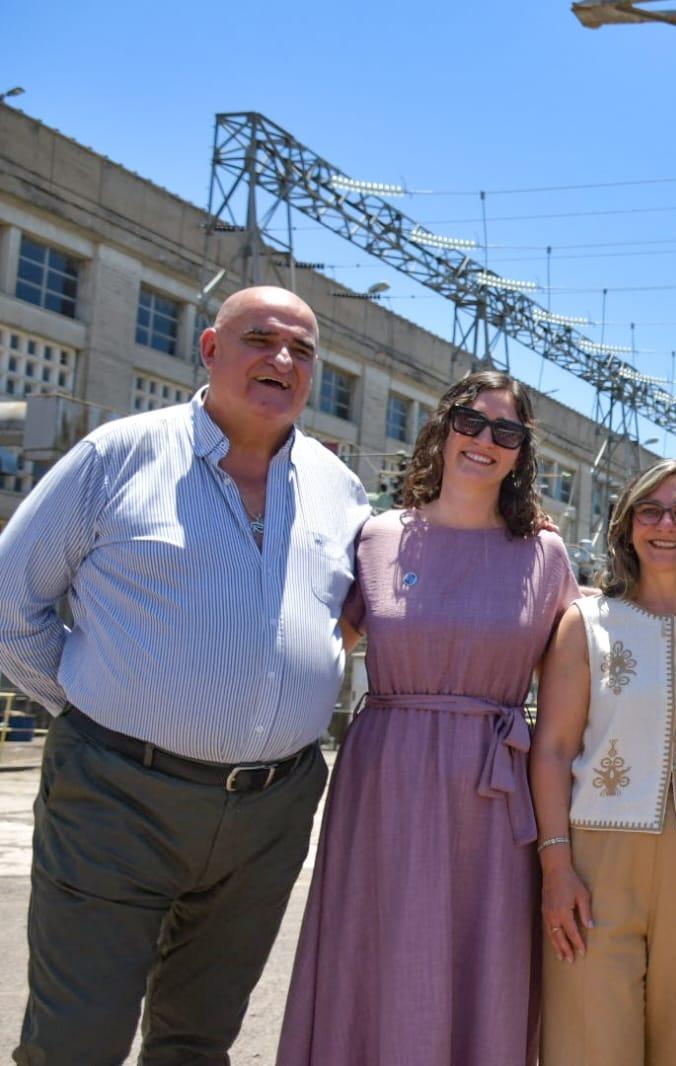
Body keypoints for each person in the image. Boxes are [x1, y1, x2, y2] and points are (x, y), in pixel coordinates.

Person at [0, 286, 368, 1065]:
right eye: (260, 339)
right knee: (76, 1041)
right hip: (116, 800)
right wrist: (89, 707)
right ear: (209, 349)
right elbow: (9, 602)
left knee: (197, 1043)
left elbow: (363, 613)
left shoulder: (339, 492)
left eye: (302, 350)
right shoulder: (119, 456)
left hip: (271, 811)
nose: (282, 360)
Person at [276, 371, 579, 1066]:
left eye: (505, 431)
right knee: (375, 946)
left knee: (485, 953)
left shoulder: (545, 554)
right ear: (443, 428)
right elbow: (315, 642)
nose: (483, 441)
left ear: (521, 451)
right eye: (470, 422)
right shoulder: (377, 537)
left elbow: (578, 675)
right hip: (385, 779)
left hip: (492, 793)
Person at [531, 458, 676, 1065]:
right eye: (649, 511)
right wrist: (556, 867)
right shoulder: (585, 624)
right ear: (627, 524)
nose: (665, 525)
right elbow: (552, 750)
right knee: (588, 1043)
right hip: (596, 861)